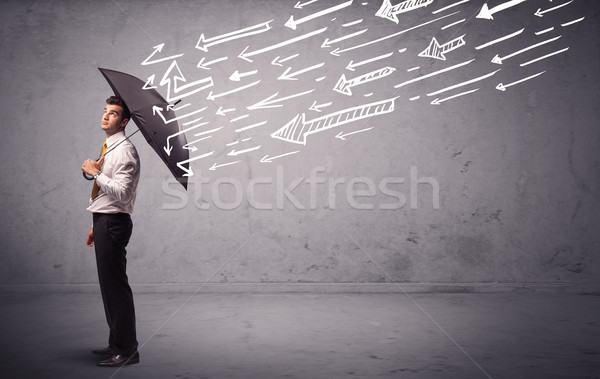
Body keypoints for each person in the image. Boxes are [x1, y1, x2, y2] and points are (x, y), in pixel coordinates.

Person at [81, 96, 141, 367]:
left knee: (116, 288)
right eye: (105, 111)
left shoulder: (125, 150)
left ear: (125, 121)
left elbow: (123, 192)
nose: (106, 116)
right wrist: (96, 223)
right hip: (105, 222)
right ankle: (115, 343)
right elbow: (110, 195)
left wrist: (95, 173)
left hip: (114, 223)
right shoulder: (110, 147)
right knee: (109, 287)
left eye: (113, 114)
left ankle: (127, 350)